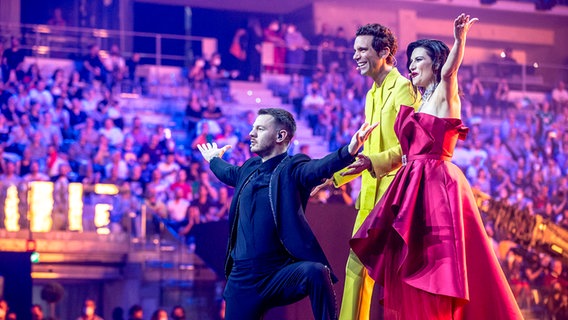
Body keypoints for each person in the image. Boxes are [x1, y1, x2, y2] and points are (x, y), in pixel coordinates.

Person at [350, 14, 523, 319]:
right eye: (411, 61)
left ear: (437, 64)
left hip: (436, 185)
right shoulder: (422, 99)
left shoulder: (445, 91)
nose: (412, 66)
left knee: (436, 262)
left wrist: (459, 39)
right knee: (412, 261)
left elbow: (451, 71)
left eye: (419, 60)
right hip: (414, 182)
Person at [197, 108, 376, 320]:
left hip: (276, 275)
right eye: (253, 128)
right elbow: (228, 173)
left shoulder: (293, 167)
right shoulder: (249, 168)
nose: (251, 134)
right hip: (241, 280)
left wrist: (349, 150)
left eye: (260, 129)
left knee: (316, 272)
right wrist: (213, 160)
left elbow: (319, 168)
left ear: (281, 136)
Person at [317, 22, 421, 320]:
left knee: (391, 274)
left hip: (396, 197)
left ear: (385, 52)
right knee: (356, 266)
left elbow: (410, 147)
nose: (355, 56)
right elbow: (367, 154)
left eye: (362, 50)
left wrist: (371, 163)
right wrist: (332, 178)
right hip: (369, 197)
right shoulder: (371, 95)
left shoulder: (404, 89)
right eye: (355, 50)